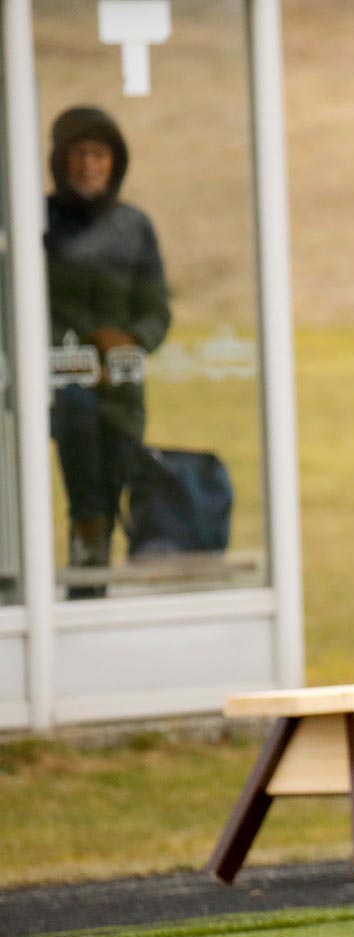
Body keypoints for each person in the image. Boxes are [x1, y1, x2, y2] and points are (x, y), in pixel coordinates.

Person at [44, 105, 171, 598]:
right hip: (65, 386)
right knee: (86, 494)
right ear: (60, 161)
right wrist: (71, 354)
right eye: (78, 154)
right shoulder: (40, 221)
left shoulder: (134, 226)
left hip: (123, 388)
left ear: (115, 162)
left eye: (98, 154)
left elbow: (157, 308)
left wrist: (131, 339)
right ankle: (87, 563)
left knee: (115, 484)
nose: (88, 165)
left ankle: (93, 575)